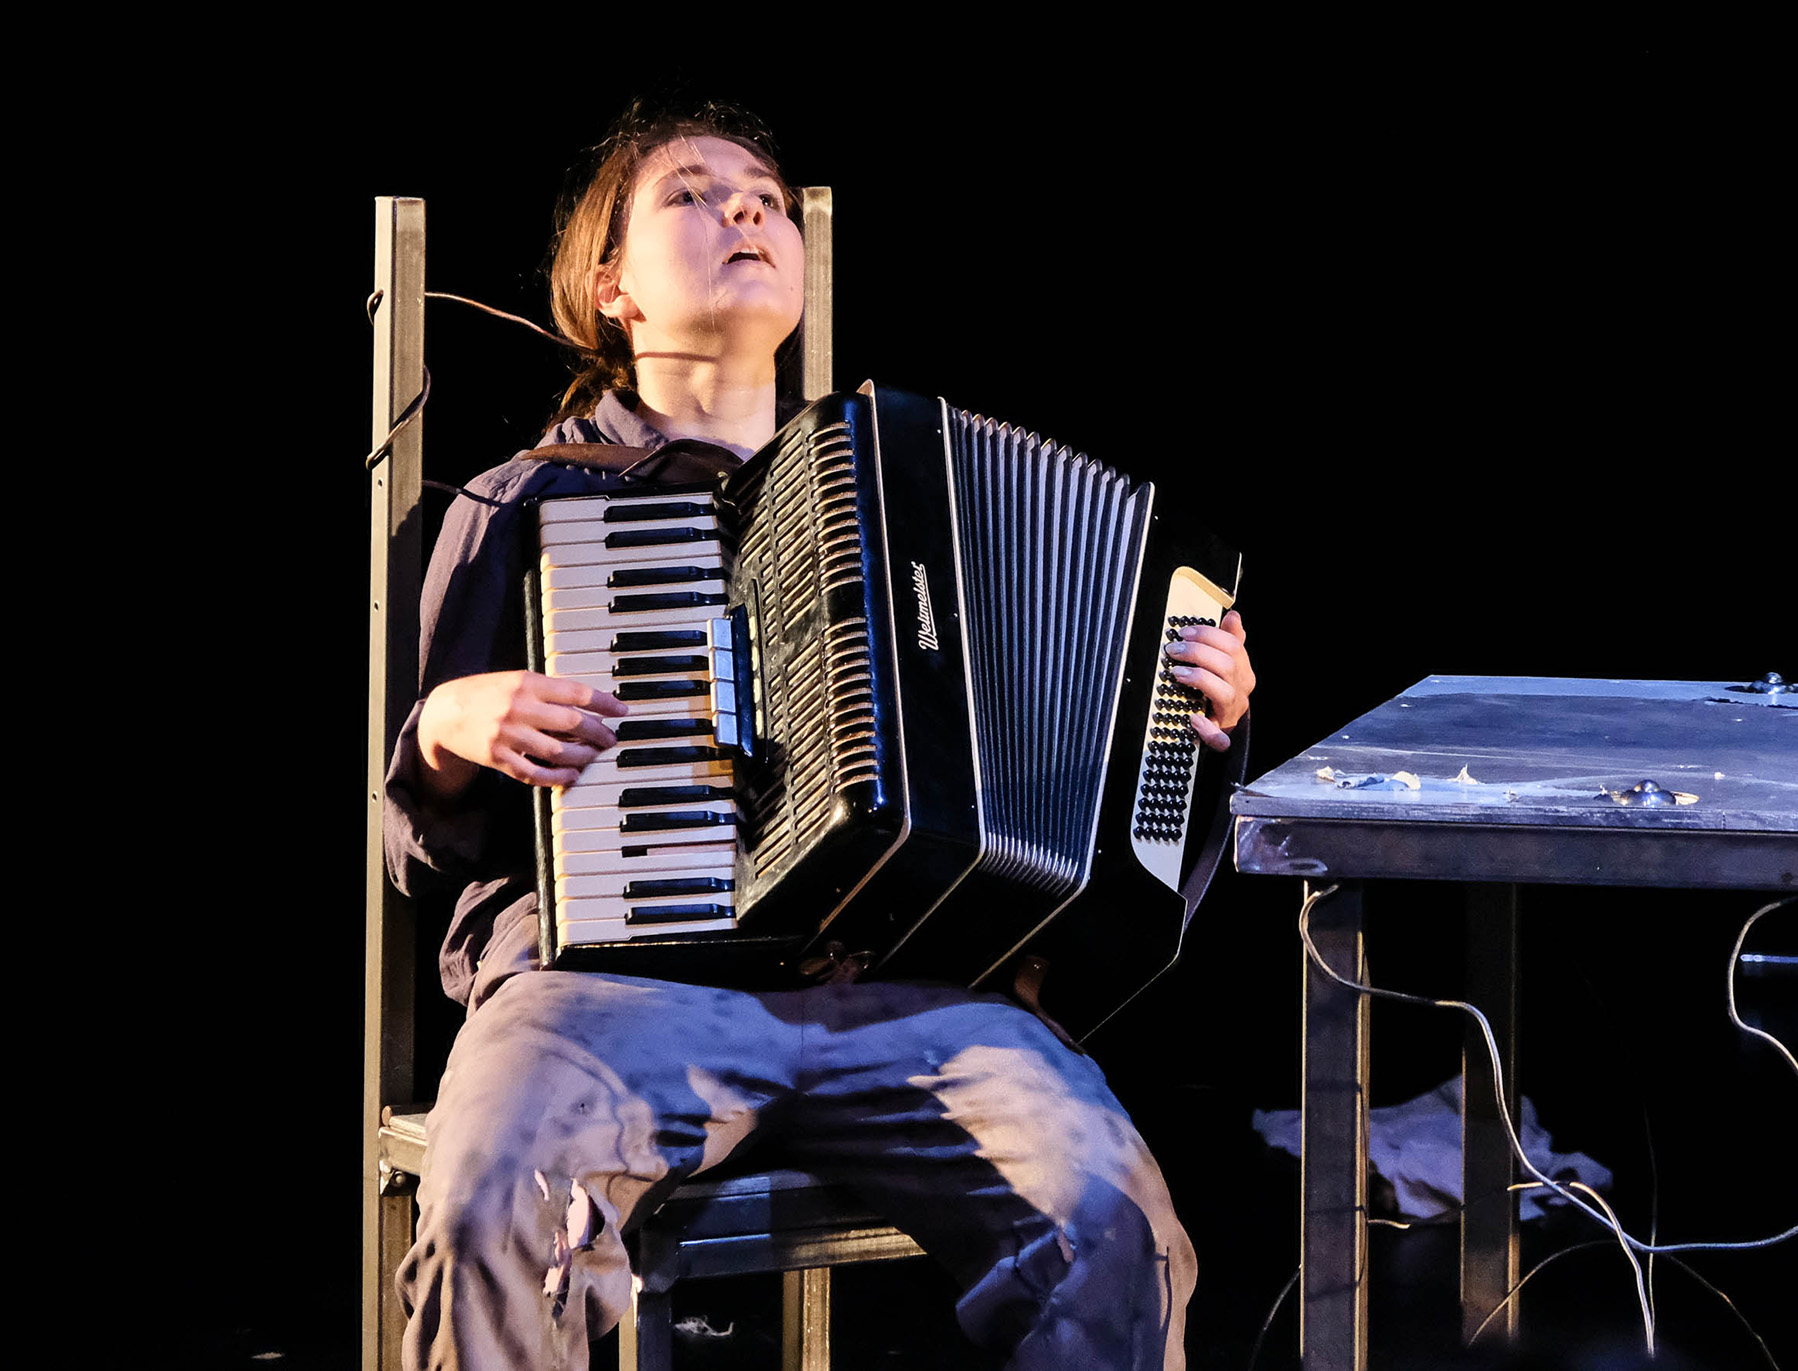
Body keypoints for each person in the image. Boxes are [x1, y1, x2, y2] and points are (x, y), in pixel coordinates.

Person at [385, 102, 1256, 1370]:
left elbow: (1086, 790)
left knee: (1115, 1230)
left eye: (769, 198)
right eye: (691, 192)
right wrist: (449, 730)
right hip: (611, 995)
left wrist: (1192, 709)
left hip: (910, 995)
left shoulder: (921, 498)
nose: (746, 208)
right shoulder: (531, 499)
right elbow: (414, 851)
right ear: (612, 287)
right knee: (489, 1216)